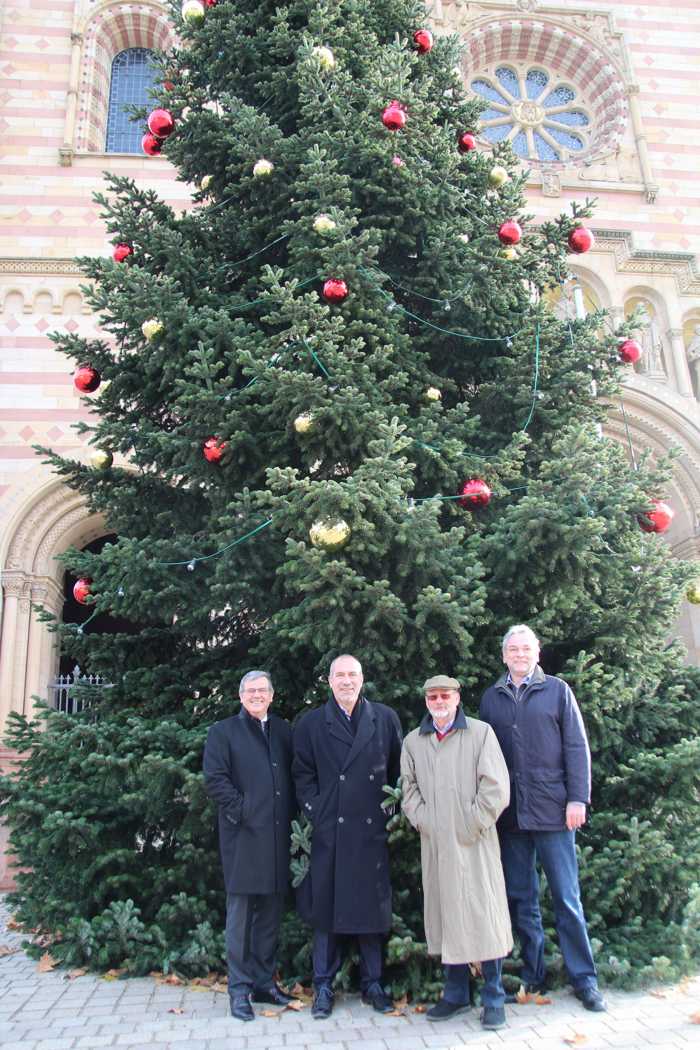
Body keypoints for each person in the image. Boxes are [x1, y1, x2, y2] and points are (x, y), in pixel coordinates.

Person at [479, 625, 606, 1013]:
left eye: (526, 648)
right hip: (512, 817)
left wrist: (577, 799)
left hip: (554, 813)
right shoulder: (491, 699)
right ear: (504, 656)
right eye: (513, 649)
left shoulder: (557, 691)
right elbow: (485, 757)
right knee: (522, 899)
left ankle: (585, 980)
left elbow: (576, 746)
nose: (519, 654)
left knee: (567, 899)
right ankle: (534, 974)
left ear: (537, 653)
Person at [292, 654, 403, 1018]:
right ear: (329, 681)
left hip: (371, 832)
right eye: (340, 675)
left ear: (362, 678)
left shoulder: (384, 718)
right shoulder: (311, 724)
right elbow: (303, 775)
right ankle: (322, 985)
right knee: (326, 911)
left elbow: (397, 771)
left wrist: (390, 808)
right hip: (331, 832)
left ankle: (373, 984)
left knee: (371, 911)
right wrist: (318, 811)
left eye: (352, 674)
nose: (346, 681)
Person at [401, 674, 513, 1031]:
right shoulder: (413, 742)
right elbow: (410, 791)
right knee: (446, 915)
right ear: (426, 702)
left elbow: (496, 787)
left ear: (457, 697)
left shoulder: (480, 734)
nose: (439, 702)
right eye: (432, 697)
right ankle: (455, 993)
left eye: (444, 696)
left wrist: (471, 823)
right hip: (436, 845)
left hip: (475, 843)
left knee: (484, 915)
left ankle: (493, 997)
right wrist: (427, 822)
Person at [203, 670, 295, 1021]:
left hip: (276, 837)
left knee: (270, 915)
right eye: (250, 690)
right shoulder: (223, 732)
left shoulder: (283, 731)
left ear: (271, 696)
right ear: (241, 696)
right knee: (240, 919)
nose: (257, 695)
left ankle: (263, 984)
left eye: (263, 690)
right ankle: (238, 990)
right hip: (242, 838)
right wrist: (243, 810)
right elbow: (215, 779)